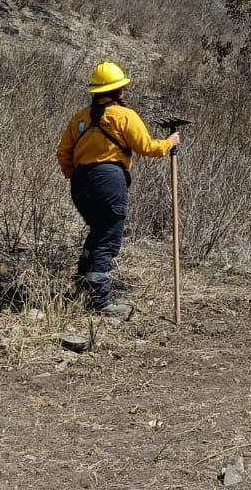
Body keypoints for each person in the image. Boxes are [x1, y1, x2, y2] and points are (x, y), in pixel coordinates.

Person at [55, 60, 181, 316]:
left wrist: (77, 177)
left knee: (97, 233)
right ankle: (101, 303)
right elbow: (147, 147)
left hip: (80, 182)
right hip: (109, 181)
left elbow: (63, 153)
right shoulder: (124, 116)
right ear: (118, 90)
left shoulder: (79, 118)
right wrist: (169, 143)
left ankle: (82, 285)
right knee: (107, 240)